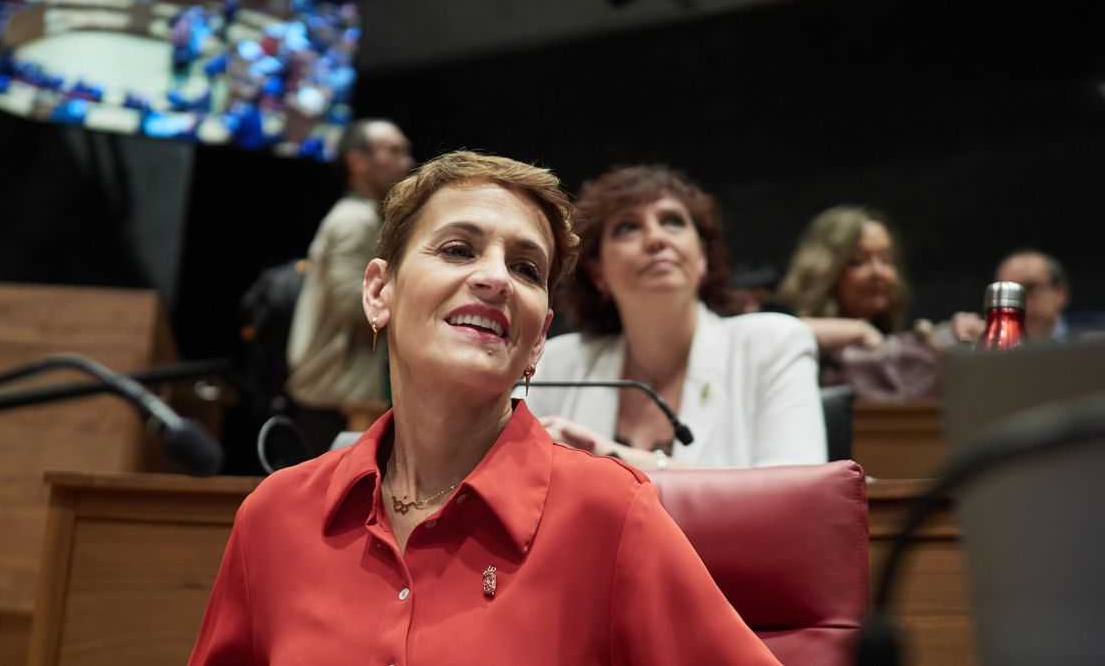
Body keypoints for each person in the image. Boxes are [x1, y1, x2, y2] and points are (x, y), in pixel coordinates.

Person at [188, 151, 780, 665]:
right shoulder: (273, 517)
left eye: (526, 268)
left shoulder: (611, 514)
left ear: (540, 337)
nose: (495, 278)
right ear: (378, 292)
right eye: (457, 249)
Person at [525, 165, 826, 470]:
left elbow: (796, 493)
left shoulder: (774, 344)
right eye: (627, 228)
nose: (656, 239)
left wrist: (616, 457)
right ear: (598, 272)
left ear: (701, 258)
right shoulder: (557, 363)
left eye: (672, 221)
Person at [282, 118, 413, 455]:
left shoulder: (361, 215)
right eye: (394, 151)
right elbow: (353, 303)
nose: (407, 162)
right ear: (357, 160)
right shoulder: (355, 220)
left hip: (339, 391)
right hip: (335, 395)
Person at [775, 204, 911, 357]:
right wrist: (858, 331)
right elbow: (771, 333)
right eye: (858, 261)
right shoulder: (788, 335)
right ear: (823, 270)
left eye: (886, 260)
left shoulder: (895, 341)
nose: (878, 272)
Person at [995, 248, 1071, 341]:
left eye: (1031, 289)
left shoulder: (1091, 342)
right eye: (1010, 294)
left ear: (1061, 293)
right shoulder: (987, 345)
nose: (1020, 305)